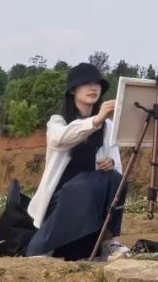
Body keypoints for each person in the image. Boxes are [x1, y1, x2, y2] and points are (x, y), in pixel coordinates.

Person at [27, 62, 126, 260]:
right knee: (81, 186)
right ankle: (42, 247)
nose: (93, 88)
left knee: (116, 179)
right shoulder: (58, 121)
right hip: (63, 198)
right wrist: (95, 120)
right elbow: (60, 139)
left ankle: (109, 242)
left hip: (90, 198)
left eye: (97, 84)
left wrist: (111, 164)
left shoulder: (107, 126)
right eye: (86, 83)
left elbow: (118, 166)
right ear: (73, 90)